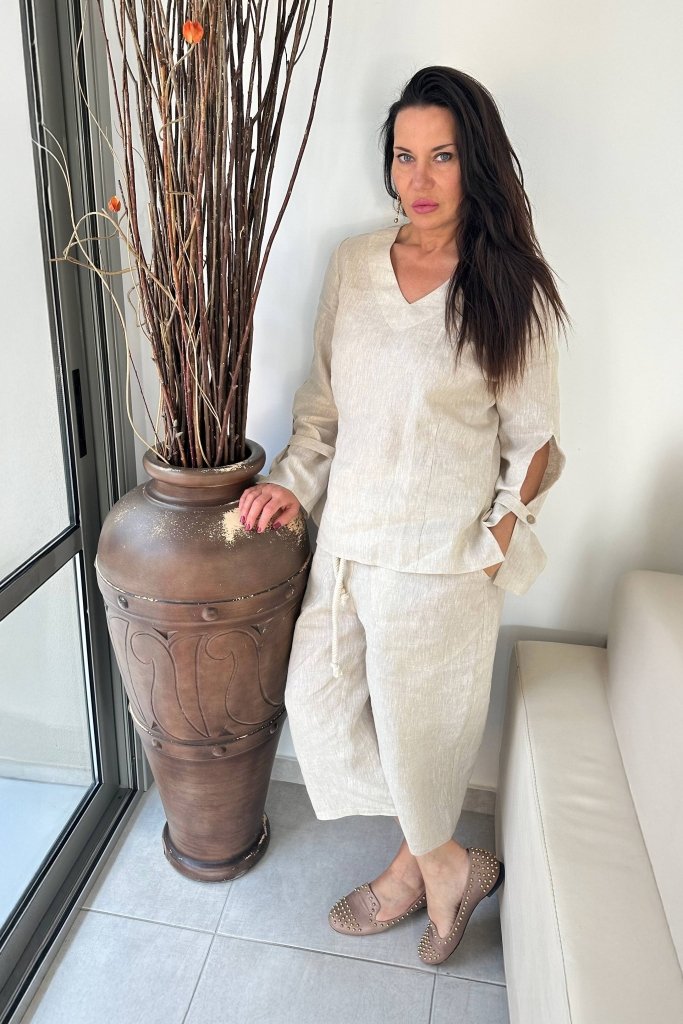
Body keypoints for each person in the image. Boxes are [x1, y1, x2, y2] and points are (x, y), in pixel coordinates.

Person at [238, 65, 568, 966]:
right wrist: (291, 485)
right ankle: (449, 864)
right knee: (317, 708)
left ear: (476, 164)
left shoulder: (509, 288)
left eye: (442, 157)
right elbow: (322, 409)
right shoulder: (353, 264)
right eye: (403, 157)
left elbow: (534, 443)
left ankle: (411, 872)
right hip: (346, 549)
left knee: (421, 751)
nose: (418, 180)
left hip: (441, 566)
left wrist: (494, 544)